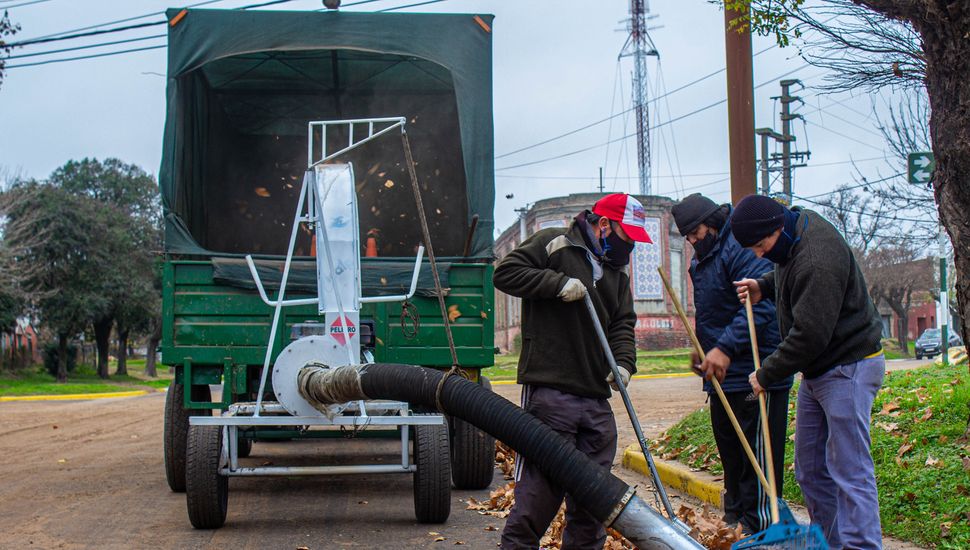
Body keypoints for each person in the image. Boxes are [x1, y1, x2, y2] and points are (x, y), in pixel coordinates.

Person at [493, 193, 652, 550]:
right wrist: (556, 284)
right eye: (627, 238)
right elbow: (505, 273)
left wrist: (624, 363)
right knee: (538, 497)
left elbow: (623, 323)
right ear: (604, 224)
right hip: (551, 392)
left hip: (596, 397)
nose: (629, 249)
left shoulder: (615, 271)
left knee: (593, 503)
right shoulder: (555, 243)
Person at [730, 194, 885, 549]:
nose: (759, 254)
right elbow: (788, 270)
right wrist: (763, 287)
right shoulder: (793, 234)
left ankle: (861, 546)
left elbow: (810, 335)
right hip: (819, 371)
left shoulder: (818, 257)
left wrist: (766, 373)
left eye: (760, 245)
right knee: (811, 470)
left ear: (777, 227)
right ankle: (830, 543)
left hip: (849, 366)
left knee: (849, 469)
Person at [671, 193, 792, 535]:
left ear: (712, 222)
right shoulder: (701, 259)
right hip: (723, 377)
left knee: (757, 457)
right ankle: (734, 522)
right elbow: (713, 313)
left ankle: (759, 528)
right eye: (688, 237)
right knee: (731, 454)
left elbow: (762, 306)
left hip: (756, 368)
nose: (693, 241)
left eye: (696, 232)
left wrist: (724, 347)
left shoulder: (740, 248)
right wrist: (706, 350)